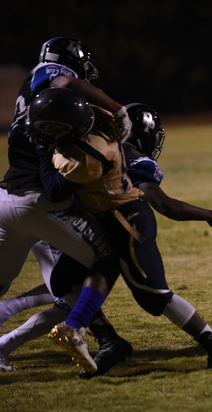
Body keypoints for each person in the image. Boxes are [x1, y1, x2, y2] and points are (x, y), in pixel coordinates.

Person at [0, 103, 212, 375]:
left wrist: (207, 214)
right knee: (63, 281)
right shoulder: (90, 143)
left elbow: (161, 203)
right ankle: (107, 342)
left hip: (126, 221)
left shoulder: (98, 151)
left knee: (153, 296)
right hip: (104, 223)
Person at [0, 36, 133, 373]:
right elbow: (66, 81)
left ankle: (7, 345)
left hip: (8, 198)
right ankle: (104, 336)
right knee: (102, 262)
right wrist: (118, 109)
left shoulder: (30, 90)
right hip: (41, 203)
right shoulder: (50, 73)